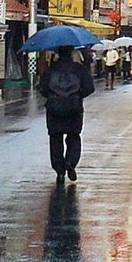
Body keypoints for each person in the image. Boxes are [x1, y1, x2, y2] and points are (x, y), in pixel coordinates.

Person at [38, 45, 95, 184]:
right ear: (71, 52)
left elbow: (43, 89)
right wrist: (78, 96)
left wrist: (53, 96)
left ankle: (59, 170)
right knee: (74, 137)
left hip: (54, 109)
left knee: (55, 139)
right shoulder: (79, 69)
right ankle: (71, 161)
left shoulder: (51, 70)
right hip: (74, 108)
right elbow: (89, 88)